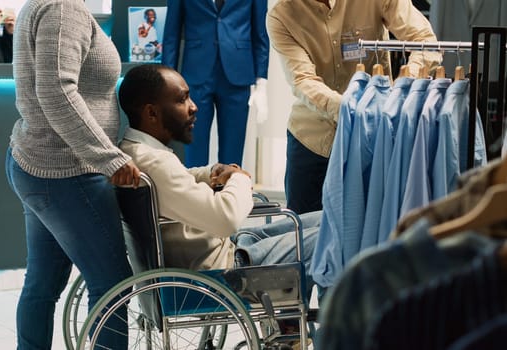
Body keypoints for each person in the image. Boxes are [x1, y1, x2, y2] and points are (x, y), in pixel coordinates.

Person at [5, 0, 140, 348]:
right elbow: (56, 91)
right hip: (67, 171)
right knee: (112, 284)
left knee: (42, 283)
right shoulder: (63, 8)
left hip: (40, 165)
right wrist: (109, 157)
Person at [117, 63, 318, 280]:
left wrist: (214, 171)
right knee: (335, 234)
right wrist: (238, 178)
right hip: (226, 269)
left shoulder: (134, 151)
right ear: (152, 113)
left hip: (227, 249)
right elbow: (226, 218)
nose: (193, 107)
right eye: (182, 99)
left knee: (328, 219)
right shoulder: (155, 162)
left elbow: (179, 179)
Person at [266, 0, 442, 214]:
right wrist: (352, 111)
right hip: (312, 142)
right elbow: (302, 79)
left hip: (373, 139)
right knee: (302, 233)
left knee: (370, 230)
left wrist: (402, 88)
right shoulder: (282, 14)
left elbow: (425, 42)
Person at [162, 0, 269, 167]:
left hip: (237, 73)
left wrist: (261, 81)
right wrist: (167, 81)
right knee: (194, 149)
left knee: (233, 151)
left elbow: (260, 33)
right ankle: (195, 191)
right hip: (196, 74)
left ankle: (230, 191)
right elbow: (171, 34)